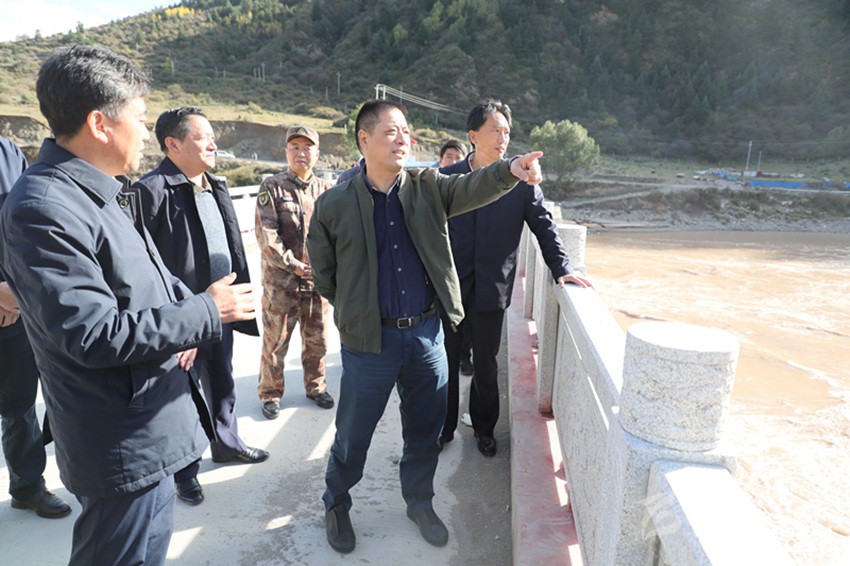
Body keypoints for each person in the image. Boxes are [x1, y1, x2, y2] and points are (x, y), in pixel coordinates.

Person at [0, 44, 256, 565]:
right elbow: (92, 334)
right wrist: (206, 312)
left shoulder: (102, 190)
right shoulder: (44, 207)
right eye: (139, 118)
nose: (144, 132)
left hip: (148, 427)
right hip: (120, 441)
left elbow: (150, 276)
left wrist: (187, 312)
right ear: (100, 124)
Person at [306, 99, 545, 554]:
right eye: (391, 131)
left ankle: (419, 501)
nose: (403, 139)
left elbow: (474, 185)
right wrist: (356, 311)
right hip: (369, 342)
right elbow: (325, 273)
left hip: (425, 336)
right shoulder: (335, 204)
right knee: (354, 433)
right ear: (364, 139)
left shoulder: (428, 186)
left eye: (406, 131)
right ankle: (336, 501)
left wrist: (510, 170)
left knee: (425, 430)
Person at [439, 98, 592, 457]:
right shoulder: (448, 178)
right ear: (473, 135)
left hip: (492, 287)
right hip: (448, 287)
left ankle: (484, 428)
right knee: (443, 361)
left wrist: (562, 269)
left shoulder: (521, 182)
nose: (503, 138)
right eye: (495, 130)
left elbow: (544, 227)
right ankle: (442, 428)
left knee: (486, 364)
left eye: (507, 132)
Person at [132, 107, 269, 506]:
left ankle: (227, 444)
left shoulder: (213, 185)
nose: (212, 143)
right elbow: (142, 268)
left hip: (222, 309)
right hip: (184, 317)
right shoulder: (150, 192)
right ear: (172, 144)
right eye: (202, 136)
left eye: (212, 136)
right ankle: (185, 472)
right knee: (182, 397)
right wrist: (180, 321)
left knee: (223, 382)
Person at [0, 136, 72, 519]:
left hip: (21, 300)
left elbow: (31, 216)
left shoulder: (8, 151)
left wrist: (21, 287)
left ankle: (29, 486)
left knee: (24, 401)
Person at [255, 126, 334, 419]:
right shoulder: (272, 187)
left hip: (316, 284)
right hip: (282, 284)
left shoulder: (327, 191)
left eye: (307, 147)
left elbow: (336, 235)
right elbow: (267, 236)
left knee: (318, 341)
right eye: (295, 147)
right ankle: (270, 393)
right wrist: (293, 264)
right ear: (286, 152)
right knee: (275, 342)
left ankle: (316, 387)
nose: (301, 153)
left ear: (317, 153)